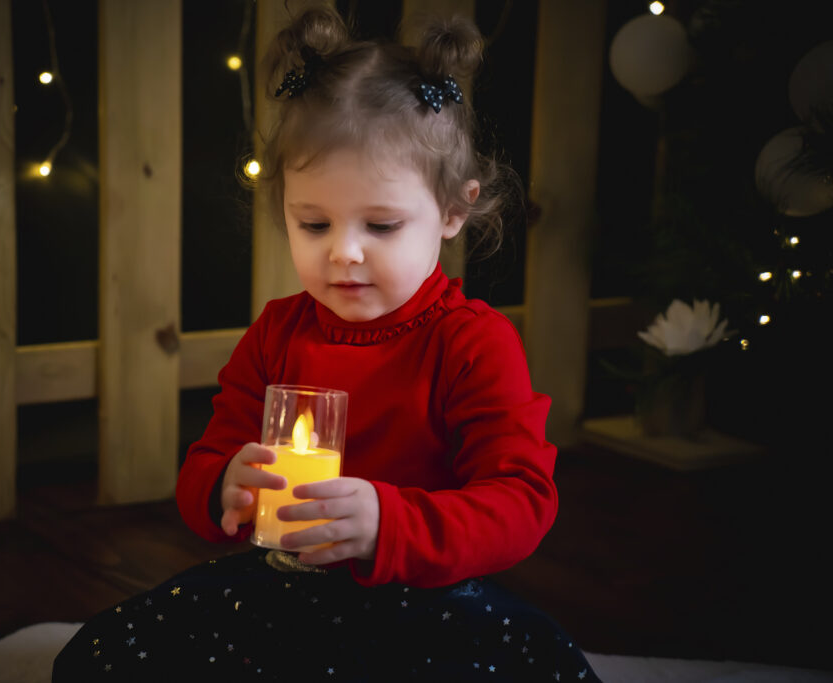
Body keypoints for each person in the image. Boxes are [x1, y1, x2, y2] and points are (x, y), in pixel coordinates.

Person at [54, 6, 600, 682]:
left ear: (454, 211)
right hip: (285, 586)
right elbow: (206, 461)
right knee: (100, 658)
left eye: (381, 224)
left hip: (424, 600)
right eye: (313, 223)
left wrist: (387, 520)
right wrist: (226, 483)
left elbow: (519, 501)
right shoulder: (280, 330)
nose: (343, 252)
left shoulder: (470, 343)